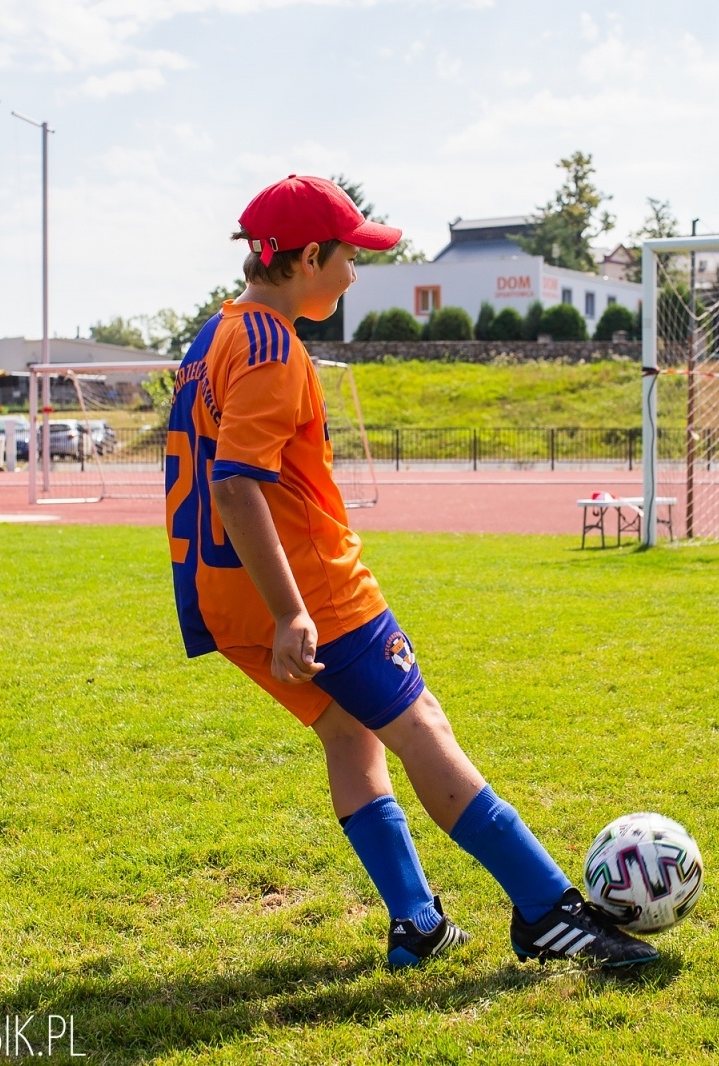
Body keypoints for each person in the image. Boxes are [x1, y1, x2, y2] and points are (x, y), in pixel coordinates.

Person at [164, 175, 657, 969]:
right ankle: (547, 910)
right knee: (422, 726)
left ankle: (417, 921)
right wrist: (293, 610)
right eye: (348, 257)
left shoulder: (211, 337)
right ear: (308, 257)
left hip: (222, 597)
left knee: (348, 732)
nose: (356, 274)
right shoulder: (269, 343)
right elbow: (234, 483)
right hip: (307, 589)